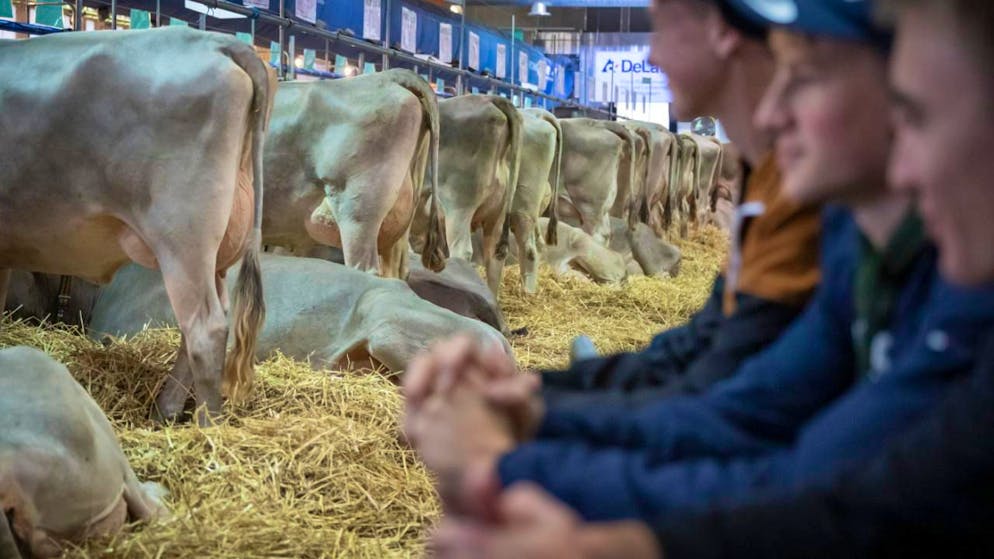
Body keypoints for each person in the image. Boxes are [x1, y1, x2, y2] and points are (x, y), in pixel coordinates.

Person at [426, 0, 994, 556]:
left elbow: (833, 491)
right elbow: (737, 395)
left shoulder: (861, 236)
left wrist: (517, 463)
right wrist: (534, 404)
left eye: (913, 113)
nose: (774, 115)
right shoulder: (854, 240)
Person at [541, 0, 822, 406]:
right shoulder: (763, 176)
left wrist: (551, 416)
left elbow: (729, 393)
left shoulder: (805, 189)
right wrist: (551, 389)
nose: (652, 54)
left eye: (663, 27)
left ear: (721, 33)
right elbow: (710, 340)